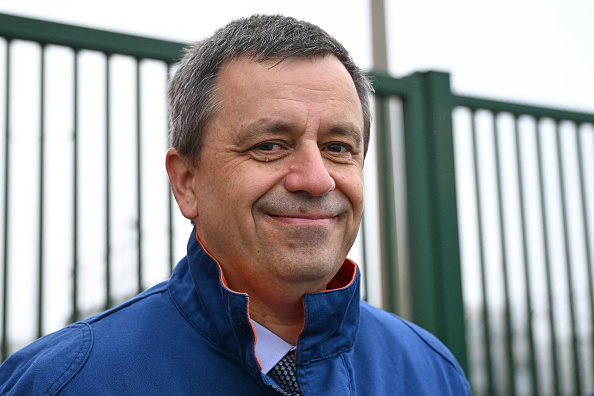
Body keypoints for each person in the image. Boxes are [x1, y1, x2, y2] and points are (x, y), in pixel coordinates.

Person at [0, 15, 470, 395]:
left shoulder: (430, 373)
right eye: (270, 145)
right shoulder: (65, 382)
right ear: (187, 183)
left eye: (338, 147)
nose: (316, 178)